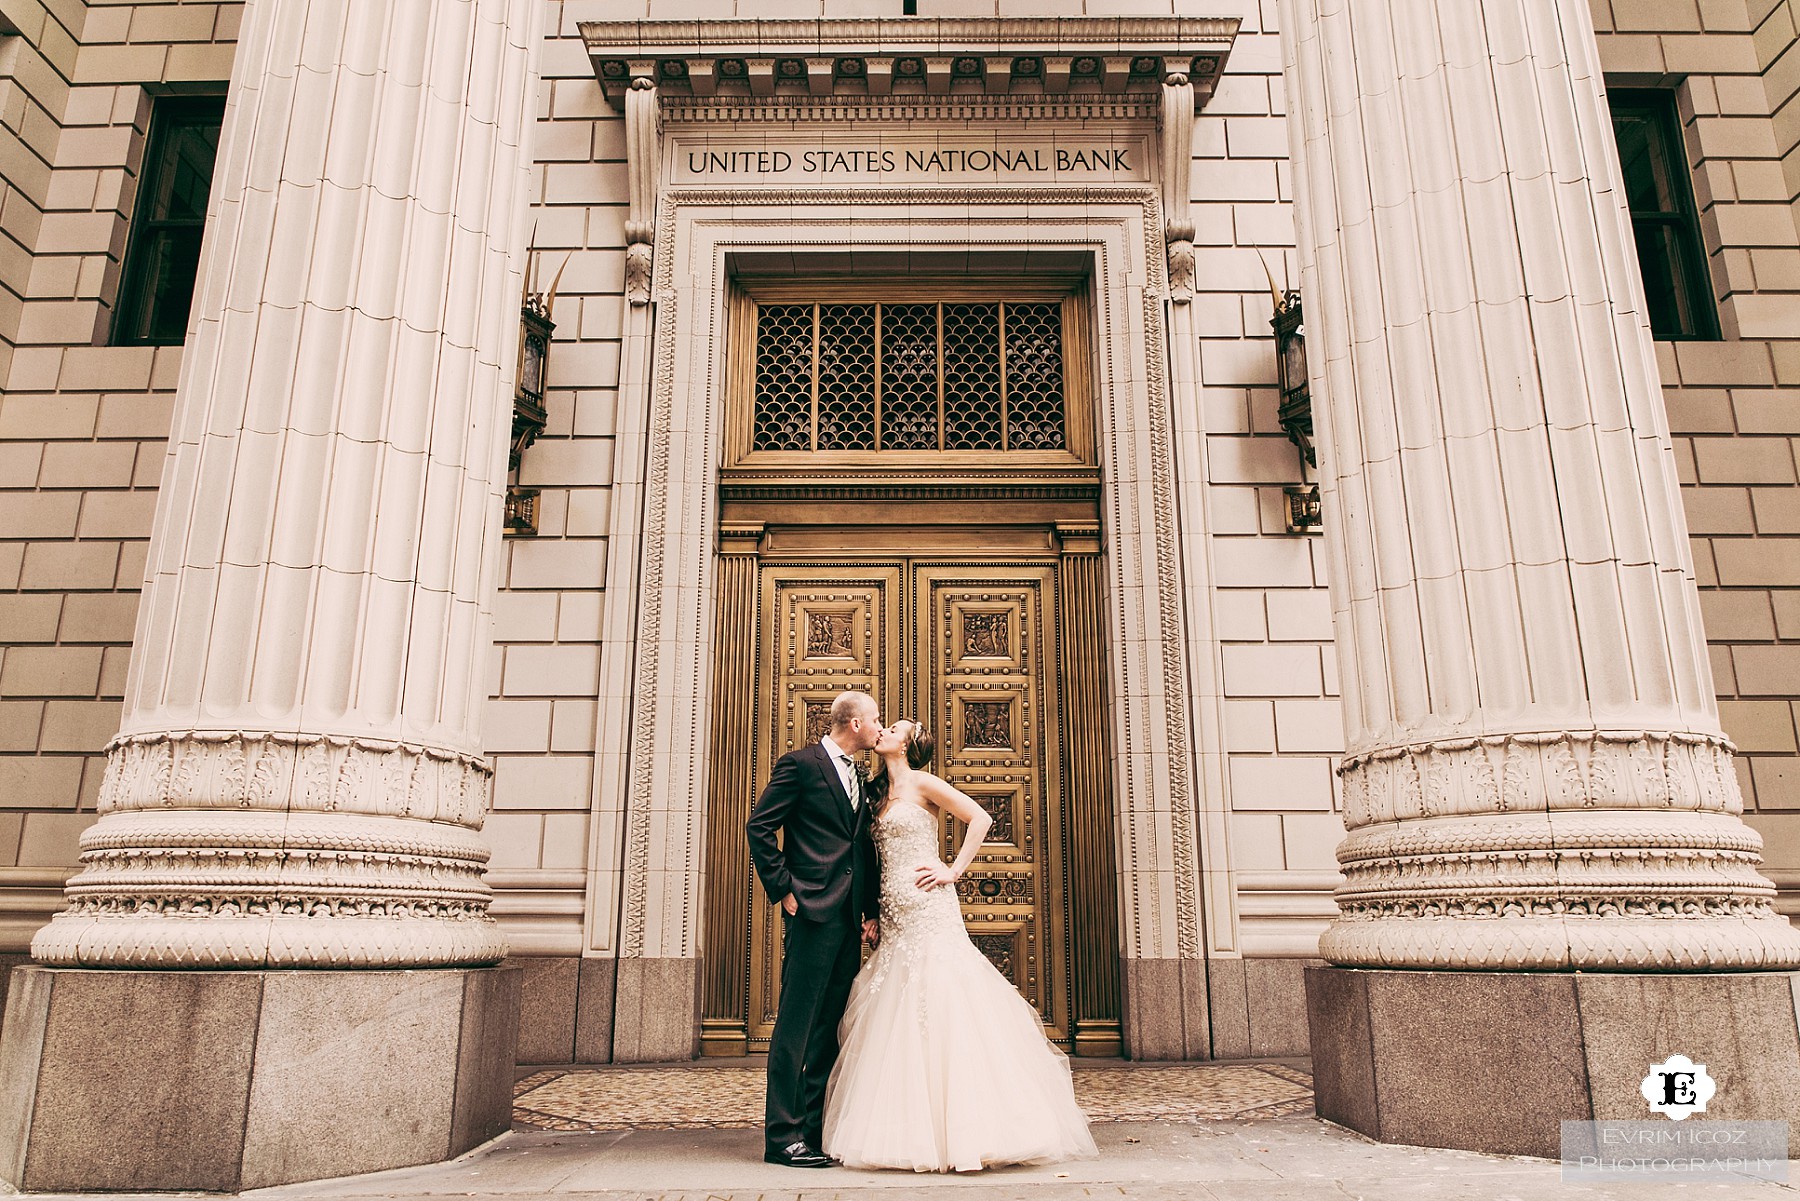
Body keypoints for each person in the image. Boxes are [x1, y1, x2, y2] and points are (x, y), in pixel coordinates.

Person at [821, 719, 1097, 1172]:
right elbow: (869, 858)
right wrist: (870, 912)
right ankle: (905, 1127)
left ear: (908, 745)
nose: (885, 730)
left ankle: (967, 1130)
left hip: (930, 909)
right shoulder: (875, 793)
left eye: (895, 728)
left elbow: (981, 818)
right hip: (894, 913)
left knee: (942, 998)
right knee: (897, 1009)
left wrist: (953, 870)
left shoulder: (924, 782)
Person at [745, 690, 884, 1169]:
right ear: (854, 724)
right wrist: (783, 887)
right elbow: (760, 825)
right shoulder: (800, 765)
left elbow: (859, 847)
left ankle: (810, 1131)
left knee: (827, 1029)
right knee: (795, 1027)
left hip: (847, 919)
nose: (879, 725)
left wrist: (868, 910)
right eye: (875, 718)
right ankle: (781, 1138)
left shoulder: (860, 775)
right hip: (810, 911)